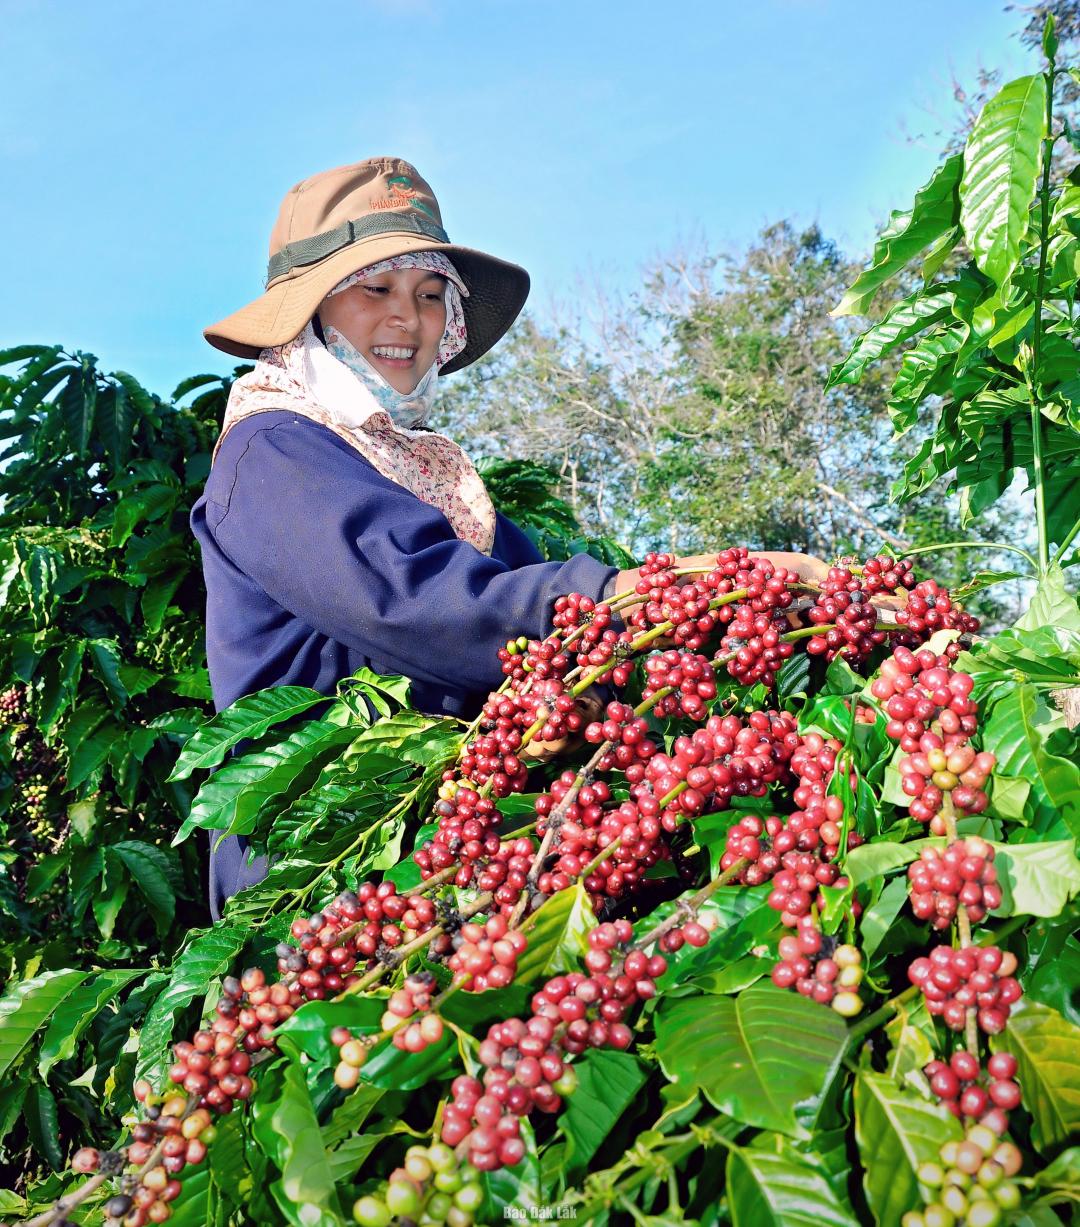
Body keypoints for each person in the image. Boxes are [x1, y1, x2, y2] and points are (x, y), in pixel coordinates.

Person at [192, 156, 826, 918]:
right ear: (312, 310)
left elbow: (543, 606)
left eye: (431, 295)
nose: (409, 319)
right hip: (318, 872)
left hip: (439, 860)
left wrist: (731, 612)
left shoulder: (414, 471)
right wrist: (644, 593)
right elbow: (423, 600)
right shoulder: (274, 449)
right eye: (375, 290)